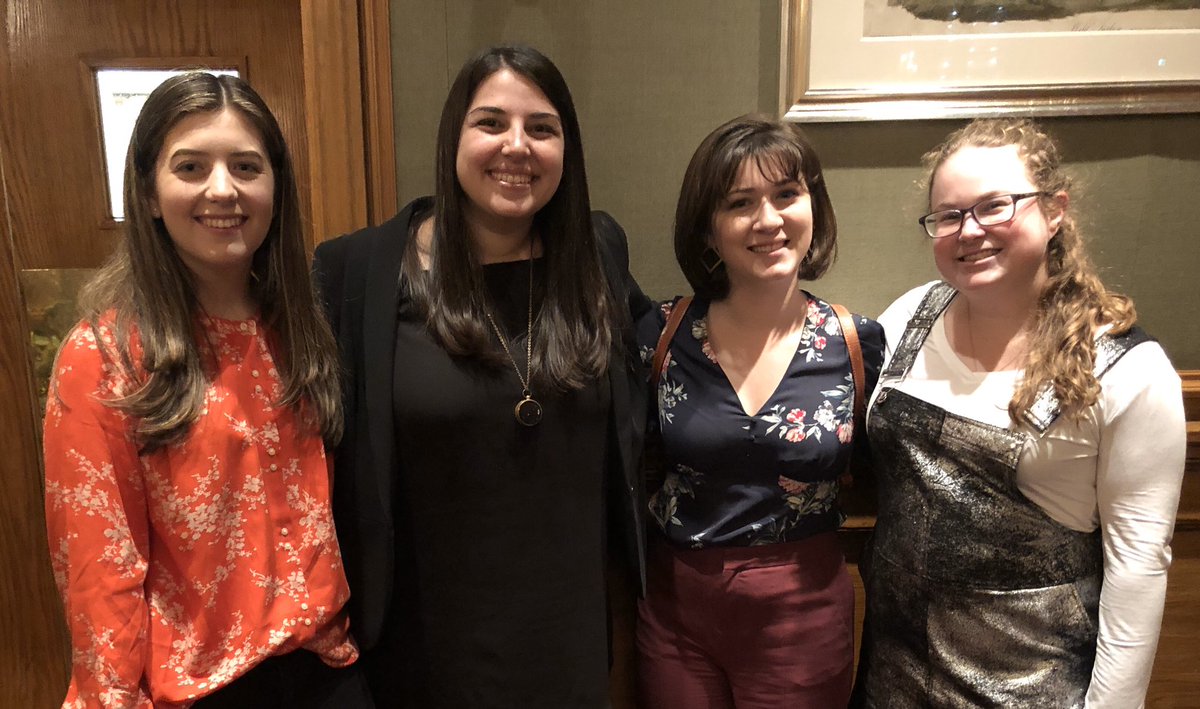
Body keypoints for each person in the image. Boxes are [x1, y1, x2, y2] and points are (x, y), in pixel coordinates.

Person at [313, 45, 650, 707]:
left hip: (568, 640)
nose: (516, 146)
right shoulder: (359, 273)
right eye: (491, 123)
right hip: (426, 641)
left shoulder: (597, 255)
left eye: (542, 128)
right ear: (453, 138)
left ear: (567, 148)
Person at [42, 73, 370, 707]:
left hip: (328, 671)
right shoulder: (103, 357)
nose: (223, 189)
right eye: (191, 166)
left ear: (276, 188)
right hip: (197, 691)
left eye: (246, 166)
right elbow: (98, 577)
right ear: (148, 192)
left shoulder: (302, 330)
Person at [853, 118, 1186, 707]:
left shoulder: (1129, 372)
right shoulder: (908, 317)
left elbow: (1138, 570)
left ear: (1055, 210)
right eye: (949, 215)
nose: (969, 231)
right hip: (891, 680)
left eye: (995, 206)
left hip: (1030, 691)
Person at [634, 114, 885, 708]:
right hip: (676, 612)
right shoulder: (659, 335)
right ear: (708, 230)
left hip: (803, 614)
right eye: (740, 202)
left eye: (786, 195)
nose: (768, 220)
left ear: (813, 206)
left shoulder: (856, 343)